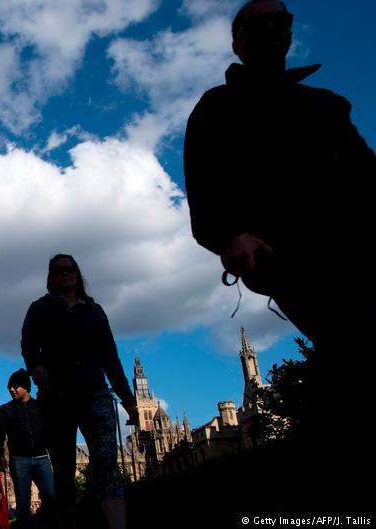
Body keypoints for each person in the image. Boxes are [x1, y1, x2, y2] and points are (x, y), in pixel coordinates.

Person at [183, 0, 374, 510]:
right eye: (259, 23)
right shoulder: (217, 108)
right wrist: (231, 236)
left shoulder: (327, 106)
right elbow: (203, 192)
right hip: (290, 255)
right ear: (237, 40)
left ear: (290, 35)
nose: (273, 30)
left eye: (281, 22)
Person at [21, 255, 138, 529]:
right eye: (59, 270)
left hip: (95, 394)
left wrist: (128, 399)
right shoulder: (39, 309)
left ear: (77, 273)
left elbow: (111, 357)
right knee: (63, 472)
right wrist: (36, 366)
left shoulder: (94, 311)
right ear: (51, 276)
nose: (65, 273)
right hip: (57, 397)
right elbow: (28, 344)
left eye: (70, 269)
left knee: (107, 464)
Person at [0, 369, 57, 528]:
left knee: (51, 497)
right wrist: (0, 455)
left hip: (42, 458)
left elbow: (50, 430)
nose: (11, 390)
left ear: (26, 388)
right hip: (19, 460)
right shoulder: (5, 409)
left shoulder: (40, 406)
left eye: (15, 386)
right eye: (10, 387)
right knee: (23, 502)